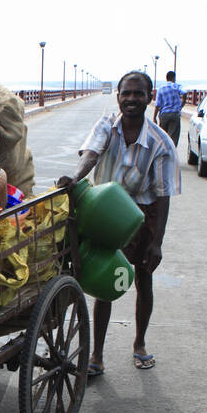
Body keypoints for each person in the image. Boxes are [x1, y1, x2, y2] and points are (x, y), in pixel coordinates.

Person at [57, 70, 181, 373]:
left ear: (150, 99)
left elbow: (163, 195)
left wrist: (157, 242)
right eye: (126, 93)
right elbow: (91, 154)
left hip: (141, 214)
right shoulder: (106, 127)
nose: (131, 99)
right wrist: (74, 178)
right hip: (105, 212)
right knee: (105, 280)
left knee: (143, 278)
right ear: (118, 97)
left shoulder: (161, 142)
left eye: (138, 94)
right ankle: (96, 355)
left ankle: (139, 343)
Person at [153, 70, 184, 146]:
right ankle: (171, 154)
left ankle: (163, 152)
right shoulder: (177, 86)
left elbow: (157, 104)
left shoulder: (160, 89)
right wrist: (181, 105)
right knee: (173, 137)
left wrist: (154, 117)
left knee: (163, 136)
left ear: (166, 78)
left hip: (164, 115)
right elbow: (184, 93)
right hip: (174, 114)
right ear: (174, 78)